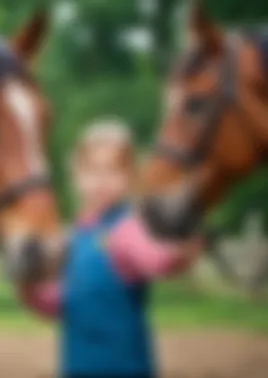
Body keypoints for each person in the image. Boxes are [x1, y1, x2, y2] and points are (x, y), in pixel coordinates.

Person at [19, 119, 202, 378]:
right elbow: (61, 302)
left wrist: (178, 254)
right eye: (92, 171)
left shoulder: (126, 228)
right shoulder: (71, 238)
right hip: (78, 367)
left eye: (112, 171)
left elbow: (152, 258)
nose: (101, 180)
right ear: (76, 175)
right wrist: (29, 290)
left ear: (128, 178)